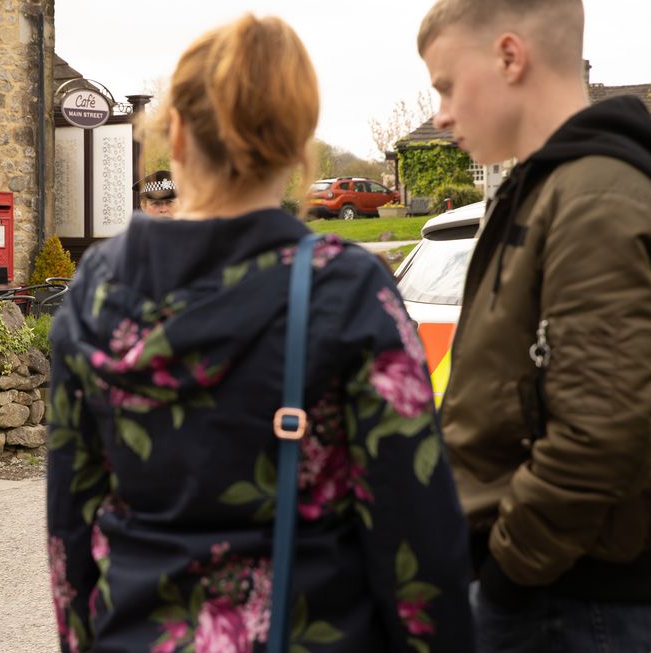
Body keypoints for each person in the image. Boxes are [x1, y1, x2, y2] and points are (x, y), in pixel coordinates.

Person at [46, 14, 473, 652]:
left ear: (179, 134)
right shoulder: (347, 291)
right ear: (299, 145)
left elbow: (70, 531)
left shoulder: (94, 292)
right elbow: (416, 533)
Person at [418, 1, 651, 651]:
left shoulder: (596, 197)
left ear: (510, 57)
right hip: (550, 590)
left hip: (569, 604)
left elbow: (602, 433)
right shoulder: (552, 187)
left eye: (444, 84)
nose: (440, 114)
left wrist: (506, 574)